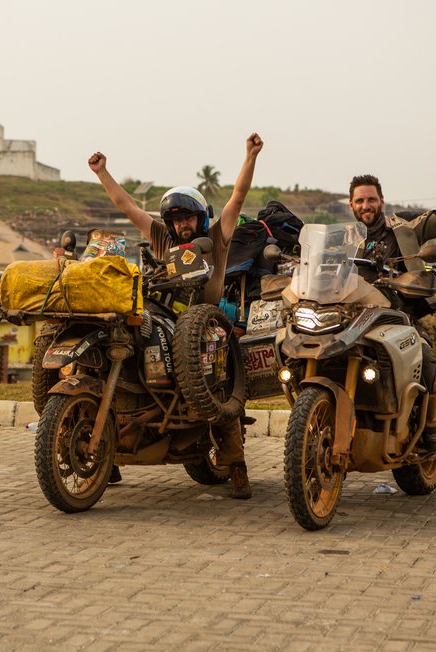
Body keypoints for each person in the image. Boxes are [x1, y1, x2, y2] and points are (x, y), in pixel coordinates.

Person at [88, 132, 263, 499]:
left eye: (188, 218)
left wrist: (250, 155)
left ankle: (236, 464)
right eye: (177, 219)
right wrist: (103, 172)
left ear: (200, 219)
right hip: (161, 316)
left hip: (206, 321)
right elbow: (127, 207)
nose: (182, 225)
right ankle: (109, 452)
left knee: (220, 384)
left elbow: (238, 197)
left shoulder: (217, 237)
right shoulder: (160, 239)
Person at [349, 159, 436, 453]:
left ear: (381, 200)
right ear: (351, 205)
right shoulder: (345, 239)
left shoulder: (405, 227)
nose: (366, 205)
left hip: (405, 314)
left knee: (424, 355)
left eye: (371, 199)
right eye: (360, 200)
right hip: (354, 317)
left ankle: (432, 427)